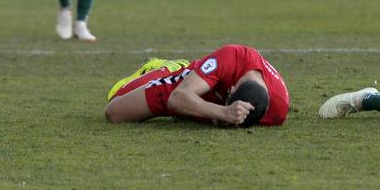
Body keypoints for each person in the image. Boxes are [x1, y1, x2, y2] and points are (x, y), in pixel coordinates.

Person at [104, 45, 291, 127]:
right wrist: (223, 113)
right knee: (116, 109)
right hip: (194, 85)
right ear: (231, 89)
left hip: (206, 101)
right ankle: (169, 67)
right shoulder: (231, 57)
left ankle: (193, 112)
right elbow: (178, 98)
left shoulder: (278, 110)